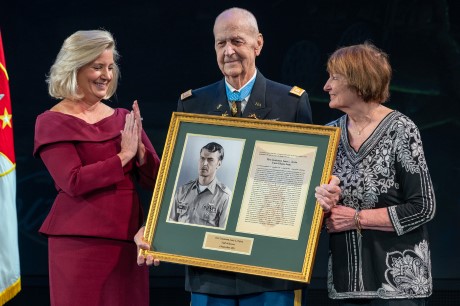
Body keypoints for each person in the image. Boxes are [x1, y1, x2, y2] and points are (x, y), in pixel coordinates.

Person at [136, 7, 340, 306]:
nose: (229, 51)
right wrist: (154, 226)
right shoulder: (193, 104)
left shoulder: (291, 102)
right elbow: (177, 178)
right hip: (208, 270)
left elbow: (307, 179)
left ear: (258, 44)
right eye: (221, 43)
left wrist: (326, 190)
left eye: (237, 41)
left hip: (271, 268)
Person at [33, 30, 161, 306]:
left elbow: (159, 181)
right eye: (97, 67)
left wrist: (139, 152)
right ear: (75, 68)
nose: (106, 75)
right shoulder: (51, 122)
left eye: (110, 67)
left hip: (129, 243)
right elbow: (73, 181)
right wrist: (122, 156)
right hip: (78, 247)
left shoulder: (125, 118)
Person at [315, 43, 436, 306]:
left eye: (334, 77)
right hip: (347, 283)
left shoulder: (402, 130)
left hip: (398, 286)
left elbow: (423, 207)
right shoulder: (328, 135)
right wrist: (324, 205)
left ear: (358, 81)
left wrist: (357, 218)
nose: (326, 86)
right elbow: (319, 216)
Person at [169, 142, 231, 228]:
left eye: (210, 159)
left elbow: (222, 234)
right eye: (202, 158)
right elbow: (171, 222)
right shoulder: (182, 190)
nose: (204, 163)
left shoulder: (224, 196)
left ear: (218, 164)